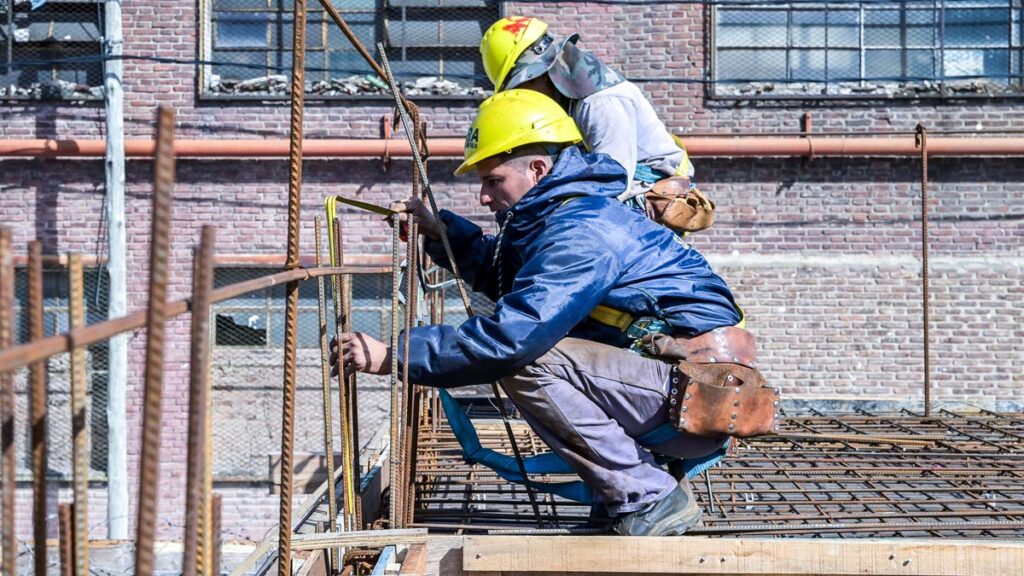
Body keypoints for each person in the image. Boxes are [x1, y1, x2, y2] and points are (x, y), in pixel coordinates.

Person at [330, 89, 743, 536]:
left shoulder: (583, 230)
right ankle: (633, 491)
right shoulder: (562, 217)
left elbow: (514, 337)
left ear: (538, 170)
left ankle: (650, 496)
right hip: (674, 389)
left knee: (525, 360)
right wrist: (442, 232)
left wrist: (396, 355)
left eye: (493, 180)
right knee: (528, 351)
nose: (484, 197)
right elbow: (515, 281)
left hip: (697, 400)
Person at [478, 15, 714, 235]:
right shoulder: (569, 98)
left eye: (521, 88)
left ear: (539, 73)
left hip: (640, 203)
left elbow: (613, 182)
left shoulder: (601, 102)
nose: (524, 98)